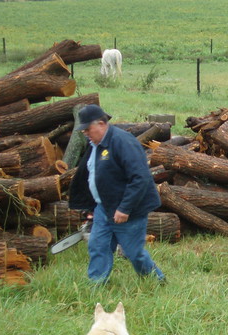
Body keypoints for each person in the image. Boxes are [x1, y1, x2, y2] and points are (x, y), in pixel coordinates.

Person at [68, 104, 165, 283]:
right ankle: (96, 284)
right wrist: (91, 204)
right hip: (104, 207)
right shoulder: (95, 145)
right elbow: (92, 175)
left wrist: (125, 208)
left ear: (102, 124)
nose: (86, 133)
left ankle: (157, 281)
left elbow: (140, 178)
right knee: (98, 246)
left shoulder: (123, 142)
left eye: (88, 129)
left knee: (133, 252)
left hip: (129, 209)